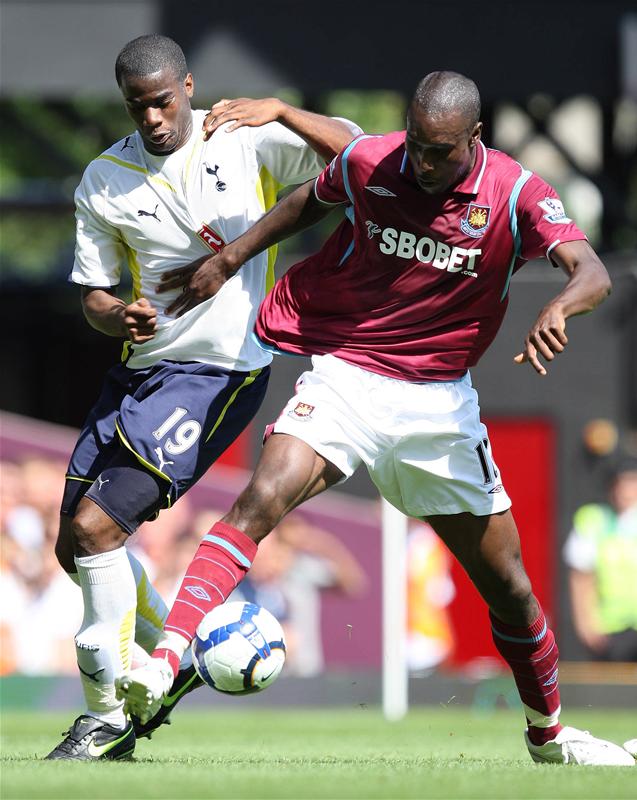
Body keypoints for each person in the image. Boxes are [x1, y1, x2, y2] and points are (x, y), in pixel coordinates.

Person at [118, 71, 635, 767]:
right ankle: (162, 662)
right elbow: (312, 194)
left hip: (439, 406)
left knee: (508, 586)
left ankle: (548, 735)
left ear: (474, 139)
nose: (421, 164)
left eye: (439, 152)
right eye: (417, 146)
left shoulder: (514, 191)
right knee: (260, 500)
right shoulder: (376, 160)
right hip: (347, 378)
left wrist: (559, 304)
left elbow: (591, 270)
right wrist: (233, 256)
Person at [47, 33, 359, 761]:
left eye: (161, 101)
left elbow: (354, 153)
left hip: (218, 372)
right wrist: (114, 314)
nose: (153, 118)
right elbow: (91, 292)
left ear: (187, 87)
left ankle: (104, 716)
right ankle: (172, 659)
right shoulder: (104, 177)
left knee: (97, 531)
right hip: (136, 371)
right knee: (73, 546)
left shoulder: (242, 138)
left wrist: (280, 108)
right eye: (138, 107)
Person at [563, 457, 637, 660]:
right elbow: (581, 577)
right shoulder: (594, 520)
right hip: (611, 632)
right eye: (622, 483)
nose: (627, 491)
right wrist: (586, 624)